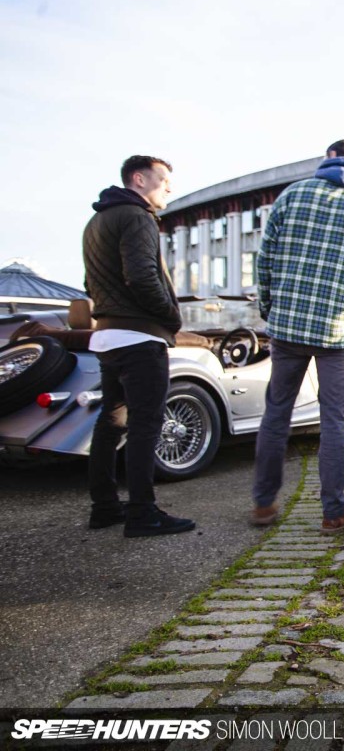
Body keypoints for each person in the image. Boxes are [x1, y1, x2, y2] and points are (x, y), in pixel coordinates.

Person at [252, 139, 344, 532]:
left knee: (276, 412)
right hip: (339, 332)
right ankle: (334, 512)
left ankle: (264, 505)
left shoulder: (291, 195)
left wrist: (271, 309)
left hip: (287, 327)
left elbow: (264, 260)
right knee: (333, 419)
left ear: (329, 159)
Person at [84, 155, 195, 537]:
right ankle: (143, 513)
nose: (169, 187)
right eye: (163, 179)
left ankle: (104, 508)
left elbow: (90, 284)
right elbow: (142, 276)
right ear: (138, 178)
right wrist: (170, 318)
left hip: (108, 336)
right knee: (146, 425)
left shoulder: (96, 221)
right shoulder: (137, 217)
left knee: (111, 422)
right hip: (140, 337)